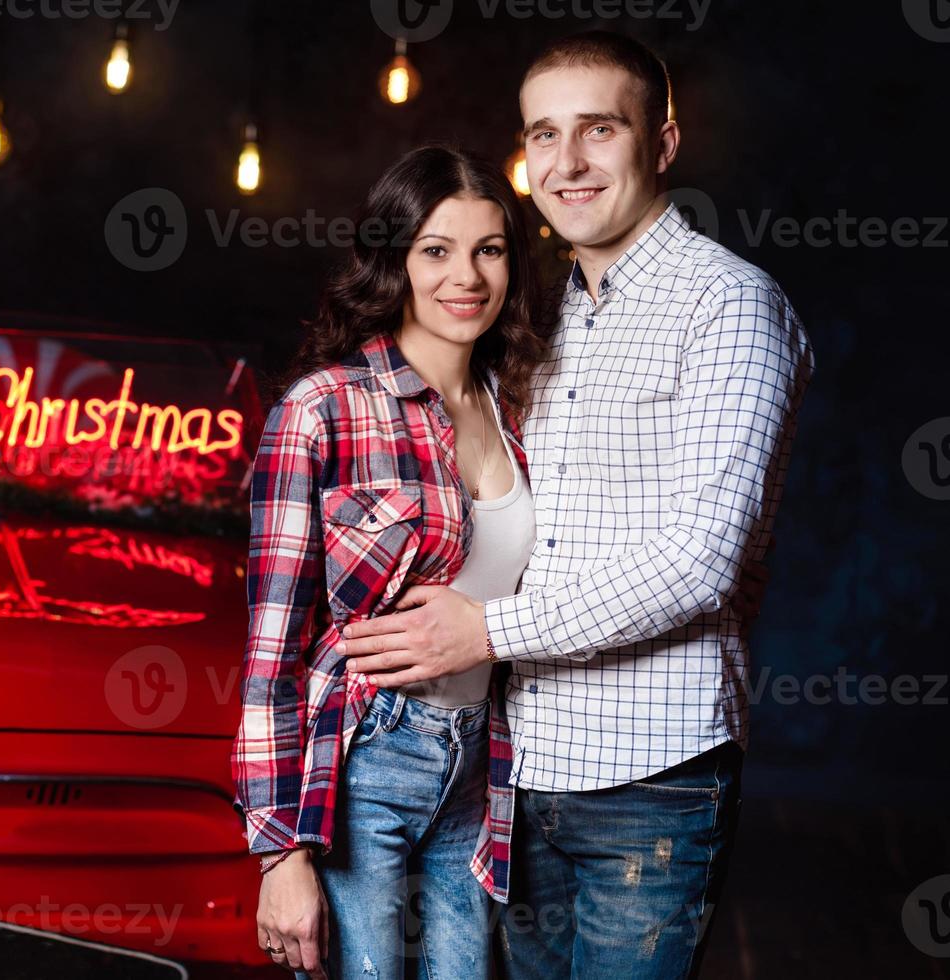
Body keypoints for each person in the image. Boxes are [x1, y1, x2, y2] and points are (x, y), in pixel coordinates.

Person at [340, 31, 815, 978]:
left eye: (599, 130)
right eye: (543, 135)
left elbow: (702, 558)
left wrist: (487, 632)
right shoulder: (546, 318)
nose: (567, 162)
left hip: (652, 779)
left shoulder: (728, 306)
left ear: (664, 143)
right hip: (514, 774)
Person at [231, 144, 547, 979]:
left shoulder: (517, 409)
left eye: (489, 249)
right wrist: (278, 854)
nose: (466, 276)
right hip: (368, 756)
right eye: (436, 251)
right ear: (394, 261)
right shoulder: (324, 409)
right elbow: (272, 652)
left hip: (484, 765)